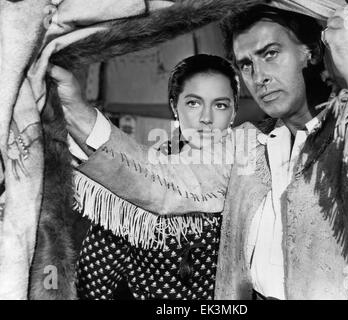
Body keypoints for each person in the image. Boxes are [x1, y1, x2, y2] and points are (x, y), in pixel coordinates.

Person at [51, 3, 348, 299]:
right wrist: (76, 109)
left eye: (270, 54)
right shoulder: (246, 144)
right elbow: (163, 183)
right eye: (247, 64)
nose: (259, 76)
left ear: (309, 52)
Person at [51, 54, 239, 300]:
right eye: (193, 103)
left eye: (220, 105)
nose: (206, 118)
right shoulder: (134, 180)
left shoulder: (249, 174)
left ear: (234, 110)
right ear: (175, 107)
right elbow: (95, 280)